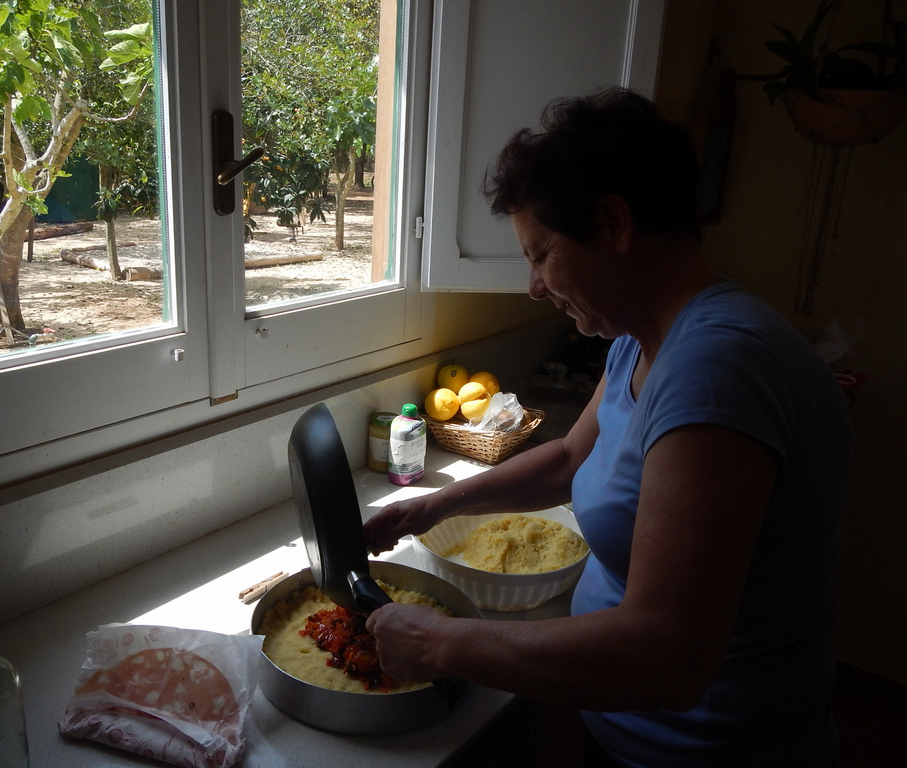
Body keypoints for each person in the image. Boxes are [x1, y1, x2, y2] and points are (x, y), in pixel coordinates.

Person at [364, 88, 852, 767]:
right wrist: (434, 506)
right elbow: (570, 459)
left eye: (541, 254)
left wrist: (442, 644)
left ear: (615, 223)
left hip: (706, 753)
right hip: (628, 733)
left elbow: (668, 657)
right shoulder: (641, 340)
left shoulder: (718, 367)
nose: (534, 285)